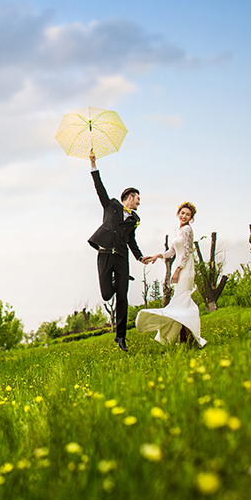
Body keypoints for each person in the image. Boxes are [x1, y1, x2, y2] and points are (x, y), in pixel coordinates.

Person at [88, 150, 151, 352]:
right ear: (129, 197)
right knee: (107, 294)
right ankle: (117, 281)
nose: (139, 203)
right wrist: (93, 164)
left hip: (122, 257)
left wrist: (140, 257)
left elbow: (131, 240)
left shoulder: (135, 220)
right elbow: (99, 188)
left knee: (123, 298)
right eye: (137, 199)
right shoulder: (111, 205)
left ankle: (121, 337)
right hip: (105, 253)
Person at [135, 202, 207, 347]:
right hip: (179, 266)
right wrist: (157, 256)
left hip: (185, 268)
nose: (184, 216)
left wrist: (178, 270)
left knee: (183, 301)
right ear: (178, 213)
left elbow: (186, 252)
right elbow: (172, 252)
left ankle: (189, 335)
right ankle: (184, 337)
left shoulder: (187, 230)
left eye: (188, 214)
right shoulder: (179, 230)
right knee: (181, 303)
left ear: (191, 218)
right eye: (182, 213)